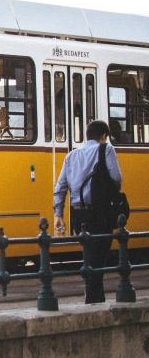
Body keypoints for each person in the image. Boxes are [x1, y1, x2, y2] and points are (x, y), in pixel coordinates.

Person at [53, 119, 123, 304]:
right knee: (98, 258)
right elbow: (116, 178)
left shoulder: (71, 156)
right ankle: (92, 299)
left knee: (90, 255)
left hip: (78, 214)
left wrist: (58, 214)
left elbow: (60, 187)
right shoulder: (106, 149)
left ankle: (96, 299)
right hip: (99, 212)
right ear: (103, 136)